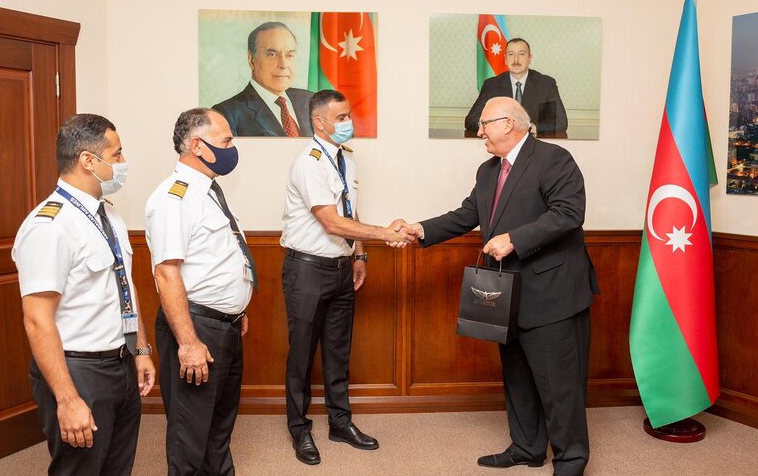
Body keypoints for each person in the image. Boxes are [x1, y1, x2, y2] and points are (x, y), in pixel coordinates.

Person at [397, 97, 598, 475]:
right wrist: (421, 230)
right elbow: (468, 214)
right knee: (518, 377)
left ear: (509, 123)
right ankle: (526, 447)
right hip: (507, 295)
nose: (479, 131)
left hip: (553, 293)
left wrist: (514, 239)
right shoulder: (488, 171)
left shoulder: (554, 159)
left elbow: (569, 214)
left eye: (485, 124)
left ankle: (571, 460)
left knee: (559, 385)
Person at [13, 113, 155, 475]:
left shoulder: (109, 216)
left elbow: (125, 287)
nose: (123, 163)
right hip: (78, 371)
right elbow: (37, 318)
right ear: (89, 161)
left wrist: (140, 350)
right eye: (118, 154)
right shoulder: (50, 225)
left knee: (116, 466)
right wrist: (67, 398)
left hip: (120, 362)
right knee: (80, 468)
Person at [280, 89, 415, 465]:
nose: (348, 123)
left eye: (348, 115)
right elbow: (330, 220)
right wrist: (387, 234)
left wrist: (360, 254)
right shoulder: (308, 162)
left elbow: (350, 213)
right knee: (302, 355)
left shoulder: (346, 159)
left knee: (339, 353)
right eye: (340, 118)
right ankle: (300, 430)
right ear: (319, 123)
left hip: (341, 268)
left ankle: (341, 422)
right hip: (306, 269)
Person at [145, 108, 254, 475]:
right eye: (225, 141)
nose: (231, 148)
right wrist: (188, 343)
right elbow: (167, 273)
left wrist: (236, 309)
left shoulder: (208, 190)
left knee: (219, 426)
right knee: (190, 434)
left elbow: (218, 259)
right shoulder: (173, 198)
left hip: (224, 327)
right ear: (197, 145)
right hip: (196, 329)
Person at [212, 21, 314, 137]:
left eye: (289, 55)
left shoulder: (312, 101)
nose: (283, 64)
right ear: (251, 60)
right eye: (272, 54)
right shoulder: (227, 114)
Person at [464, 38, 568, 138]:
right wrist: (496, 126)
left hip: (533, 145)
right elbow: (470, 120)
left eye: (521, 54)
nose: (516, 59)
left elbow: (561, 122)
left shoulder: (546, 84)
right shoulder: (491, 85)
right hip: (501, 144)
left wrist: (533, 127)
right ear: (505, 59)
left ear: (529, 58)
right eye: (511, 54)